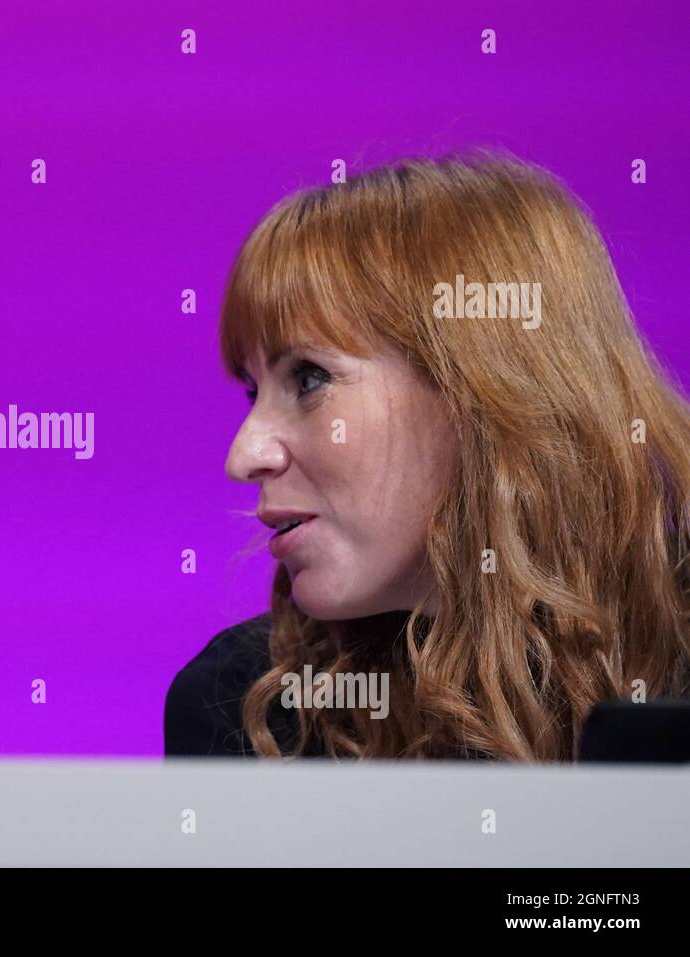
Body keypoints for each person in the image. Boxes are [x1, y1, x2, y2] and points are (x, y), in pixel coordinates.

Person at [166, 152, 690, 760]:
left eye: (308, 379)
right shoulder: (248, 704)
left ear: (485, 388)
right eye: (255, 391)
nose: (244, 455)